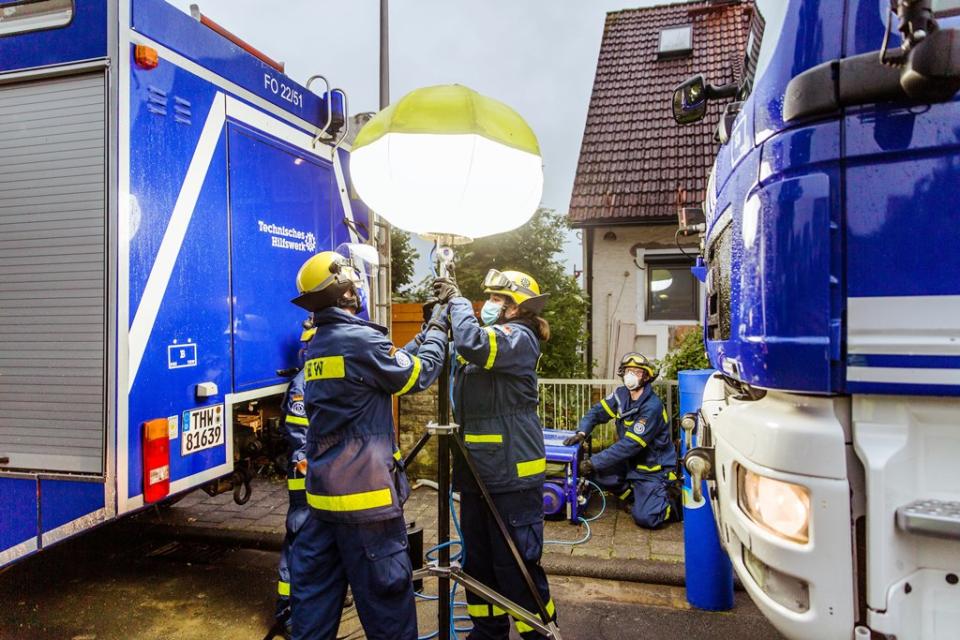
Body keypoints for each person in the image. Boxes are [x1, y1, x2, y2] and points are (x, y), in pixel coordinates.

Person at [289, 250, 448, 640]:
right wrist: (441, 333)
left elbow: (386, 366)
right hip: (367, 505)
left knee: (315, 602)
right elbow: (415, 375)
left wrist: (425, 332)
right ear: (346, 292)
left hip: (323, 501)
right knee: (387, 601)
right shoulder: (359, 340)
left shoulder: (322, 343)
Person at [433, 269, 558, 640]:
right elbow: (456, 349)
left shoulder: (520, 338)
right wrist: (439, 320)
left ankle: (541, 632)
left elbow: (473, 343)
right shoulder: (489, 341)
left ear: (517, 307)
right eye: (489, 297)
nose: (489, 304)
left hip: (511, 477)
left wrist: (456, 302)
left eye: (498, 299)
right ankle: (487, 633)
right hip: (477, 474)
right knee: (478, 565)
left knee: (516, 567)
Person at [564, 352, 680, 529]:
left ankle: (671, 500)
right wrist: (581, 433)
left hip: (652, 470)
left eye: (637, 371)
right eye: (628, 370)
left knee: (647, 518)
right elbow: (596, 413)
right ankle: (635, 496)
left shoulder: (652, 407)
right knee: (596, 472)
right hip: (629, 463)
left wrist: (592, 462)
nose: (630, 375)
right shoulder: (621, 395)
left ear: (647, 376)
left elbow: (630, 445)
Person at [273, 323, 314, 638]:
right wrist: (306, 463)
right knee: (300, 542)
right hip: (306, 482)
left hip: (322, 480)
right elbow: (299, 435)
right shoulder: (303, 383)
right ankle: (288, 611)